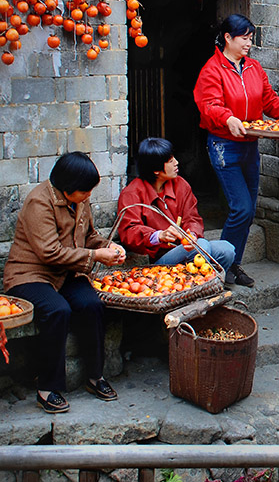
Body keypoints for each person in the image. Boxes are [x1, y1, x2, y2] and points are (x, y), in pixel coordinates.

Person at [193, 14, 279, 287]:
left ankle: (230, 265)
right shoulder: (212, 70)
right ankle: (220, 265)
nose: (249, 43)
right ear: (228, 38)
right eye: (244, 38)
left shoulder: (254, 68)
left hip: (250, 145)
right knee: (241, 207)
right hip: (225, 145)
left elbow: (269, 101)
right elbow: (209, 105)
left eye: (250, 38)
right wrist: (228, 118)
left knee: (248, 211)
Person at [2, 152, 126, 413]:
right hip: (30, 274)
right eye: (85, 191)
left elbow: (89, 236)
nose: (88, 196)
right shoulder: (39, 202)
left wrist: (109, 247)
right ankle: (47, 388)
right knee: (57, 310)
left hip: (66, 272)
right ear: (68, 188)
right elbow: (49, 252)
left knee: (92, 304)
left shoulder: (79, 200)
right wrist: (94, 256)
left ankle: (95, 377)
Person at [117, 138, 236, 274]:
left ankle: (205, 286)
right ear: (156, 169)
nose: (176, 163)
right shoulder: (132, 193)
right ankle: (195, 287)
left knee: (227, 249)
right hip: (159, 260)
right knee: (201, 247)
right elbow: (129, 232)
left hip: (185, 248)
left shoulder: (181, 185)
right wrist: (159, 235)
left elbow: (192, 218)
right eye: (170, 161)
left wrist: (192, 234)